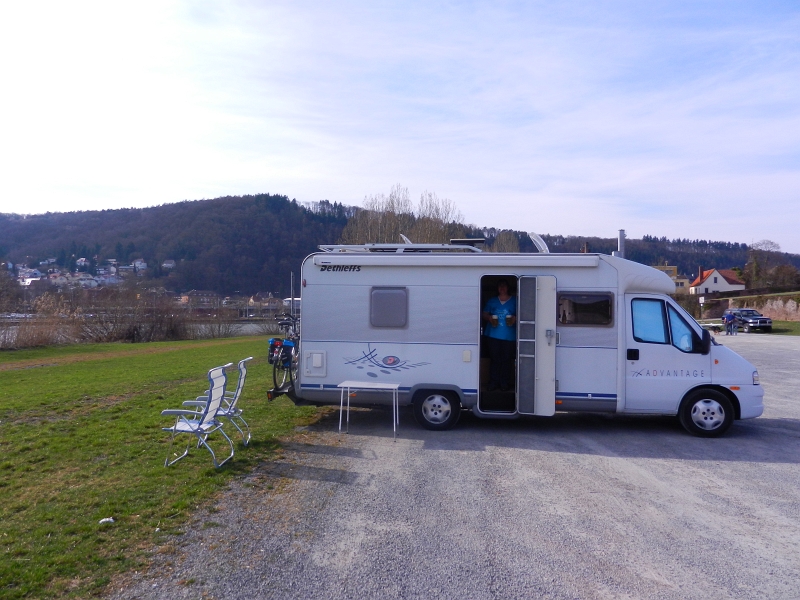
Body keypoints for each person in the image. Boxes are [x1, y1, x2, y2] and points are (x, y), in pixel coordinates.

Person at [482, 279, 517, 391]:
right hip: (493, 335)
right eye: (500, 286)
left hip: (509, 335)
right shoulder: (492, 301)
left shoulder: (515, 301)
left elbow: (523, 313)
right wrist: (489, 318)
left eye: (504, 286)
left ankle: (504, 382)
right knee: (495, 359)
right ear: (497, 288)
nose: (502, 288)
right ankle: (493, 382)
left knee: (506, 359)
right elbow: (484, 314)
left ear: (508, 288)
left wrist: (515, 318)